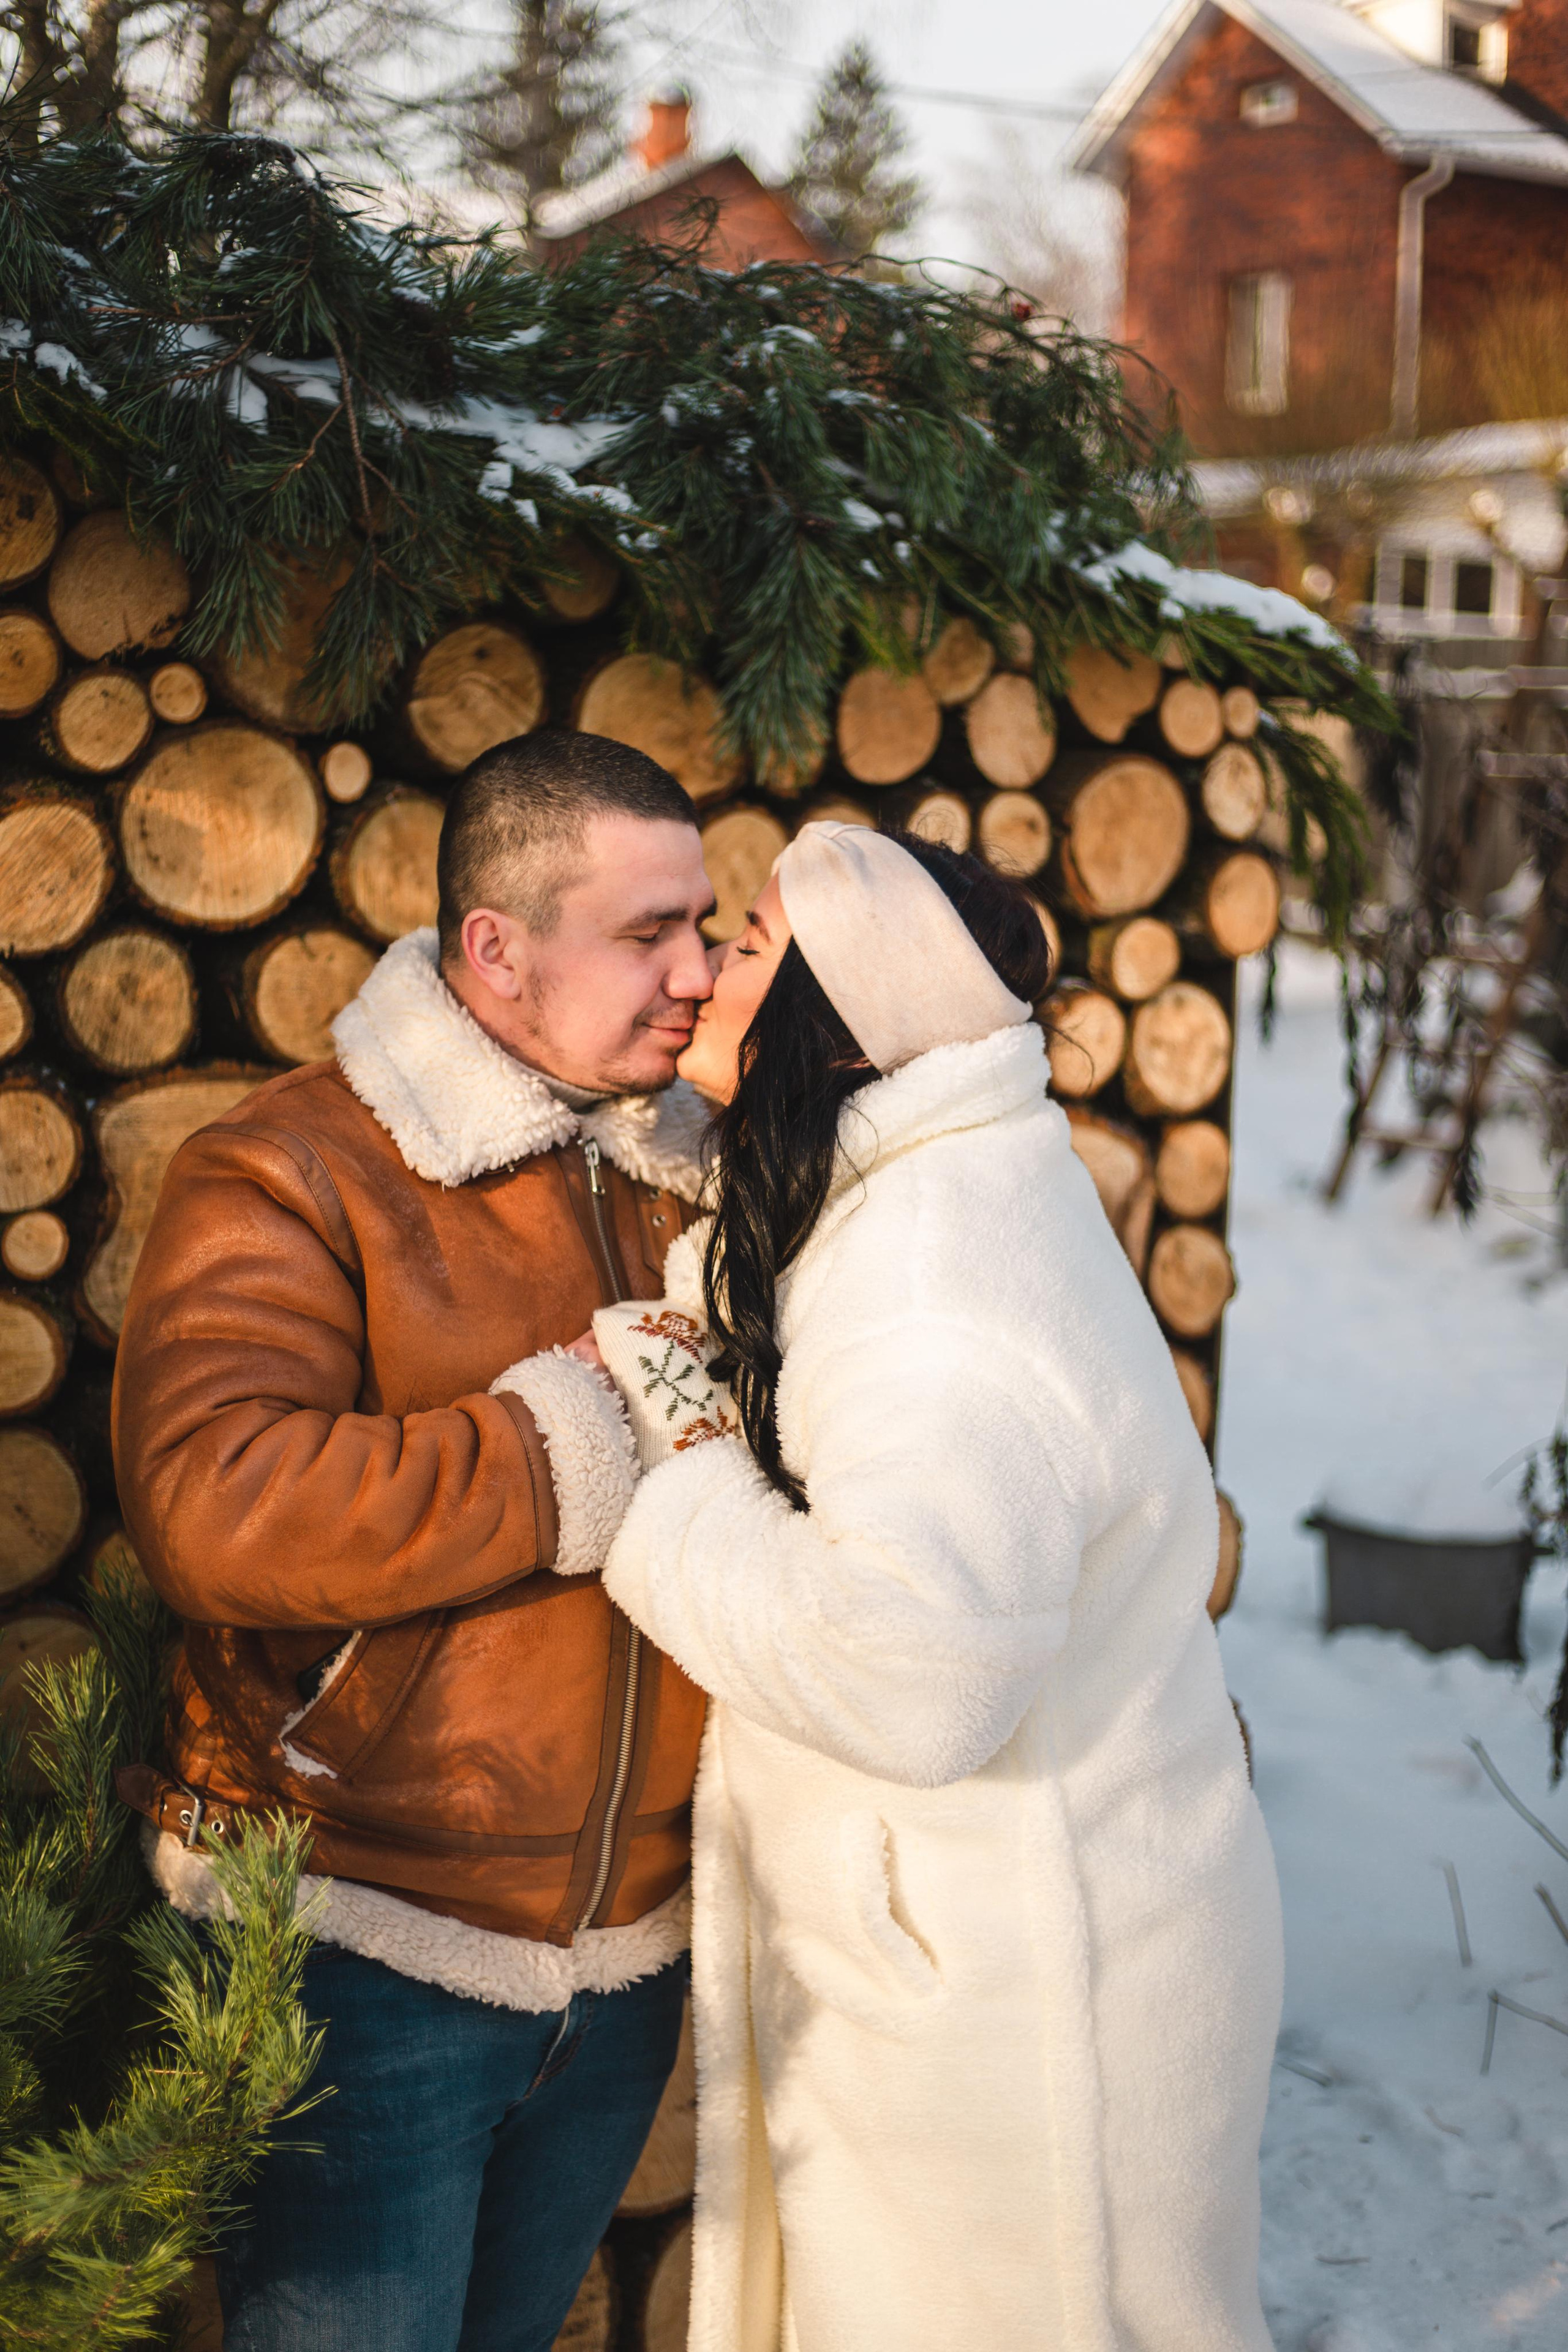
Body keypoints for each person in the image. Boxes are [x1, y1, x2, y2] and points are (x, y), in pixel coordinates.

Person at [590, 823, 1285, 2352]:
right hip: (1033, 1930)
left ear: (839, 1020)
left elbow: (910, 1675)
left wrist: (682, 1479)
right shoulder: (940, 1190)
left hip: (1016, 2011)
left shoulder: (930, 1300)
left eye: (747, 947)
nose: (701, 975)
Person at [111, 731, 720, 2352]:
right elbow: (218, 1503)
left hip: (629, 1960)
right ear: (497, 948)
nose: (696, 973)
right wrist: (563, 1442)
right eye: (648, 931)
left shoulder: (693, 1170)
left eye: (706, 924)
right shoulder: (294, 1168)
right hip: (362, 1947)